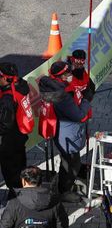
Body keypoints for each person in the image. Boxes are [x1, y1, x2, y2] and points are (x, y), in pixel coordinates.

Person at [38, 61, 91, 203]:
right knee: (71, 164)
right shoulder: (62, 96)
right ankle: (64, 191)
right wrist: (86, 100)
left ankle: (65, 184)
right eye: (67, 74)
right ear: (61, 76)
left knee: (69, 161)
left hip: (61, 132)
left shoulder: (52, 87)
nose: (70, 76)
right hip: (68, 134)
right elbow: (78, 115)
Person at [0, 166, 68, 228]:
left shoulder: (14, 203)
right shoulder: (54, 201)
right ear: (41, 181)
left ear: (23, 181)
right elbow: (62, 227)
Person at [0, 63, 30, 198]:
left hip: (10, 140)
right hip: (21, 134)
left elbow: (5, 124)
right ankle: (21, 190)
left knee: (10, 169)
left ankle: (15, 197)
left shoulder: (8, 98)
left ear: (5, 78)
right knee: (20, 164)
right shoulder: (21, 85)